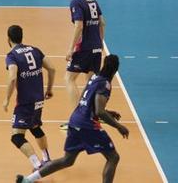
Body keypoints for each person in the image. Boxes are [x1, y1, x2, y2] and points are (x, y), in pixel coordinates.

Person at [16, 55, 129, 183]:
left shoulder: (94, 78)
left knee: (67, 160)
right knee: (113, 157)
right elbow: (99, 111)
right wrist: (119, 126)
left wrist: (108, 112)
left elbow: (85, 101)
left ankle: (27, 180)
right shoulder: (105, 84)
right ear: (115, 69)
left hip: (75, 120)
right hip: (88, 125)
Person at [3, 25, 56, 171]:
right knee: (35, 127)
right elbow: (52, 68)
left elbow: (13, 77)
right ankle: (47, 159)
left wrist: (6, 99)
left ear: (8, 39)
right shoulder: (35, 50)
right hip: (39, 99)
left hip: (25, 102)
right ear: (22, 37)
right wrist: (49, 90)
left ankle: (38, 166)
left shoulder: (12, 56)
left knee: (17, 137)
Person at [66, 0, 106, 110]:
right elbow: (102, 23)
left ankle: (77, 116)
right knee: (90, 83)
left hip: (84, 48)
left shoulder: (76, 2)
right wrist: (100, 43)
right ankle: (89, 115)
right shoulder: (92, 0)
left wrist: (71, 49)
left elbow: (79, 25)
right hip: (96, 47)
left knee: (69, 79)